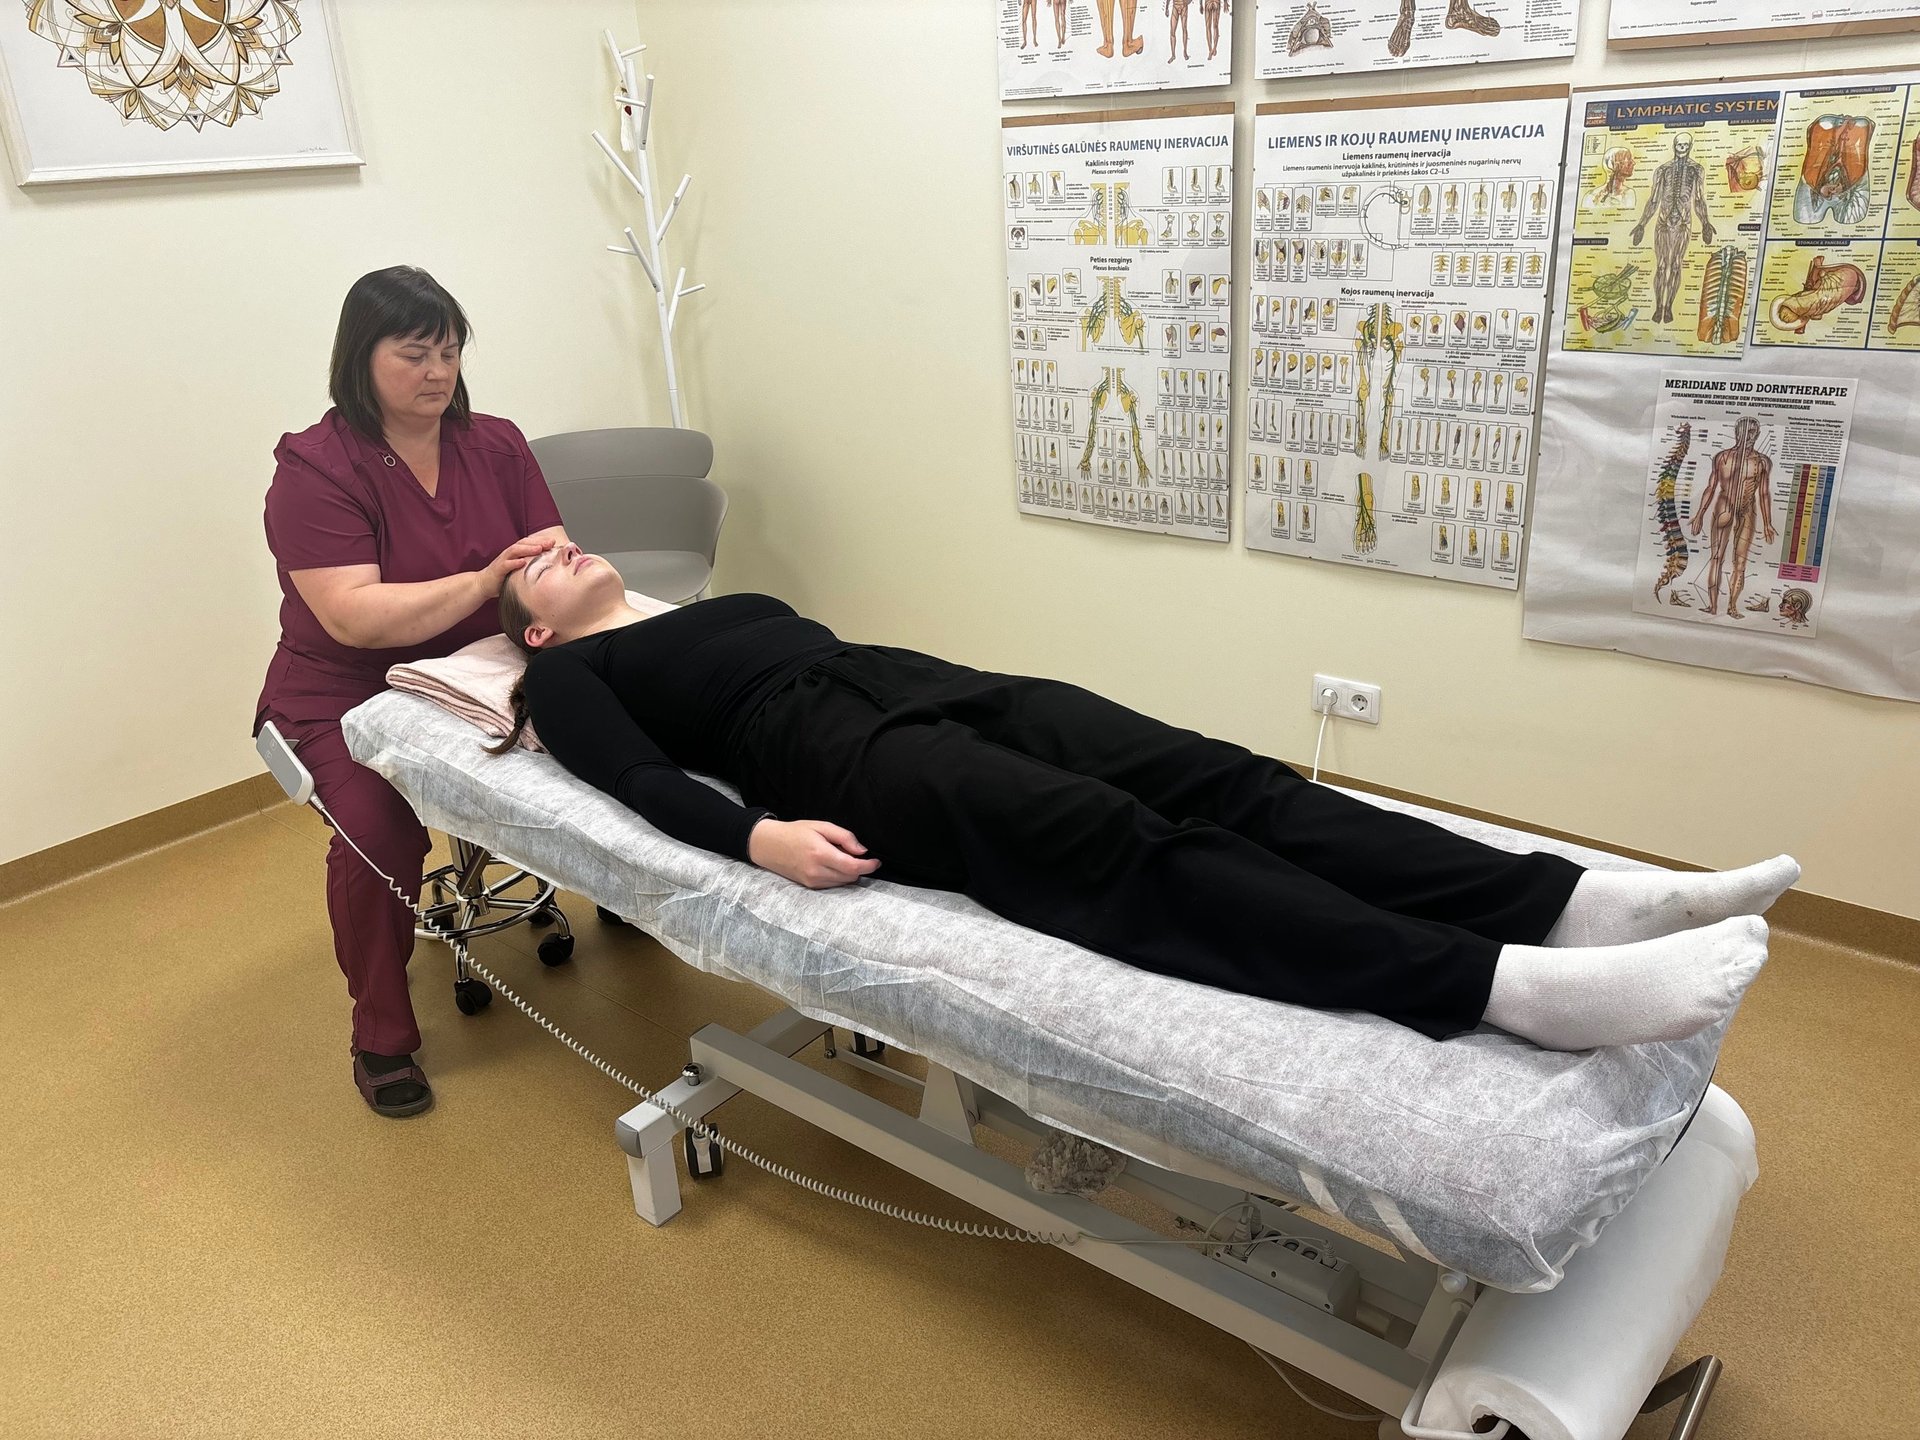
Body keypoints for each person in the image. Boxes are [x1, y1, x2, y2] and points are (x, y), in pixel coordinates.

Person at [491, 545, 1795, 1053]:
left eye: (561, 539)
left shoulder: (710, 602)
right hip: (836, 761)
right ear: (536, 636)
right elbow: (645, 782)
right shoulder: (579, 679)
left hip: (914, 680)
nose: (562, 550)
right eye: (534, 568)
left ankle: (1571, 903)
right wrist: (757, 837)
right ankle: (1498, 984)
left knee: (1224, 777)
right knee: (1128, 847)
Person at [255, 266, 568, 1118]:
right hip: (343, 695)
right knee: (380, 838)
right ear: (360, 359)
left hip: (478, 664)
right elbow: (353, 618)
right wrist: (479, 585)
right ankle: (381, 1037)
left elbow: (546, 563)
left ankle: (640, 906)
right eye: (415, 353)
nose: (439, 372)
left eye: (451, 350)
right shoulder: (316, 470)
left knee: (597, 754)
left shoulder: (496, 442)